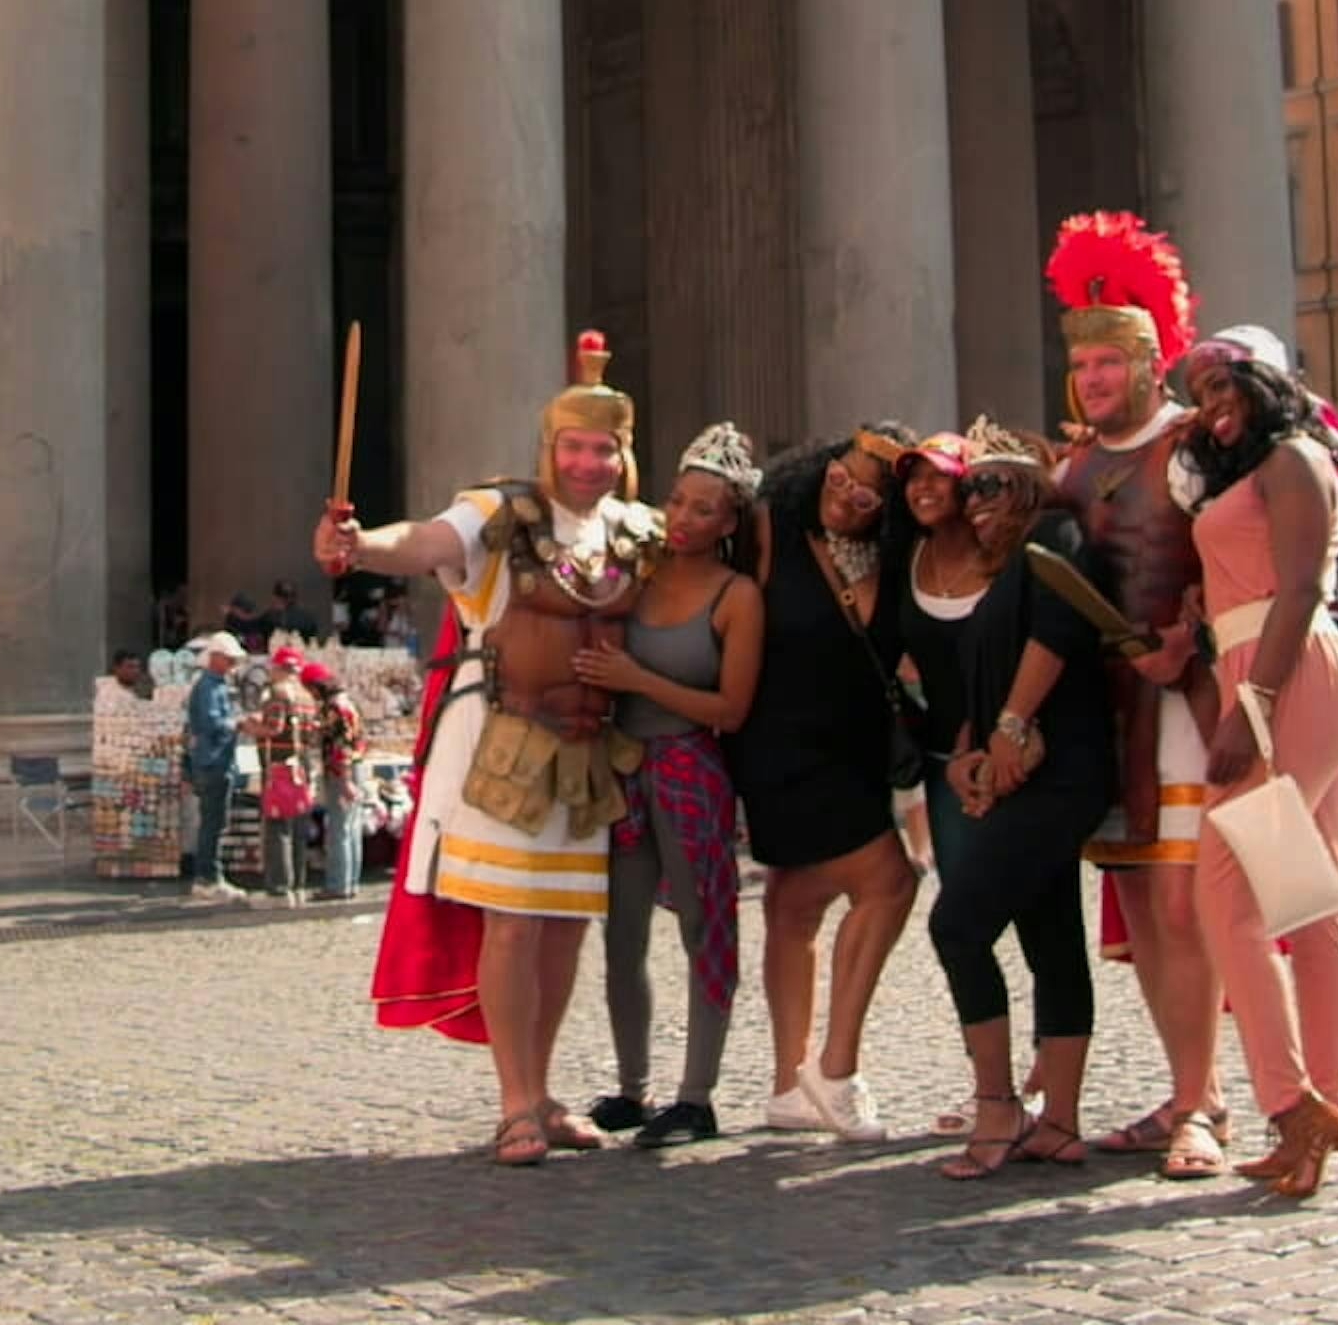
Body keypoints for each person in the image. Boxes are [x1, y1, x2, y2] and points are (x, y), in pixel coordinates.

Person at [320, 332, 663, 1167]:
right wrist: (360, 545)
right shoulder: (497, 512)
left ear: (622, 455)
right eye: (574, 447)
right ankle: (515, 1104)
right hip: (499, 747)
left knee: (564, 928)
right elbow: (423, 542)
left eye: (603, 449)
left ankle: (542, 1093)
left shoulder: (636, 531)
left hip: (588, 752)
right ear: (550, 447)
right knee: (510, 925)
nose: (587, 463)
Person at [1045, 210, 1226, 1179]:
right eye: (1082, 367)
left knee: (1182, 909)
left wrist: (1196, 632)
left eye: (1108, 364)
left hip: (1181, 712)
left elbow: (1246, 556)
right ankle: (1187, 1089)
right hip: (1106, 715)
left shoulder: (1194, 448)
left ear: (1149, 363)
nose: (1093, 380)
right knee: (1145, 917)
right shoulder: (1073, 464)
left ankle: (1201, 1106)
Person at [1176, 328, 1338, 1200]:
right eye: (1201, 395)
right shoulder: (1258, 466)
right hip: (1281, 673)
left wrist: (1248, 708)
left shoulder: (1294, 457)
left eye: (1226, 388)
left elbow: (1297, 590)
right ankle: (1328, 1109)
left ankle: (1292, 1102)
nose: (1213, 406)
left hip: (1287, 678)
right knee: (1309, 899)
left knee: (1223, 889)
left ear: (1268, 381)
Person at [907, 426, 1117, 1179]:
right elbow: (981, 674)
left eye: (992, 486)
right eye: (970, 491)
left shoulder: (1053, 536)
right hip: (1015, 762)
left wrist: (1008, 728)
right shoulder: (1000, 572)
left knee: (957, 924)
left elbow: (1055, 639)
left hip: (1060, 768)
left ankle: (998, 1103)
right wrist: (970, 751)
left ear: (1029, 487)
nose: (977, 504)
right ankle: (1058, 1120)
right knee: (1051, 936)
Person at [721, 424, 925, 1144]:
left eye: (867, 494)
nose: (846, 498)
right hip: (781, 744)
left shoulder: (900, 557)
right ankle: (836, 1068)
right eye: (840, 478)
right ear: (822, 466)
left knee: (795, 900)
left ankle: (789, 1085)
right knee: (890, 882)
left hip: (858, 749)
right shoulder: (773, 525)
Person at [567, 421, 764, 1152]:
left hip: (690, 766)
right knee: (621, 936)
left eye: (703, 509)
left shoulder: (737, 594)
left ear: (730, 521)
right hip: (624, 768)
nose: (683, 519)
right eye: (677, 502)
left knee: (704, 927)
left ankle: (697, 1094)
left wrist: (637, 680)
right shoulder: (637, 572)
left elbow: (731, 709)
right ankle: (632, 1085)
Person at [249, 649, 329, 901]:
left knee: (277, 825)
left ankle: (279, 887)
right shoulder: (307, 696)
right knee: (297, 826)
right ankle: (298, 884)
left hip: (279, 766)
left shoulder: (277, 693)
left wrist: (249, 725)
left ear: (278, 667)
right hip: (302, 766)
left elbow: (274, 728)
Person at [180, 631, 244, 902]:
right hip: (212, 761)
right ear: (215, 657)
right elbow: (209, 723)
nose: (232, 665)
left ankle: (209, 875)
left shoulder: (213, 684)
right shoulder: (208, 686)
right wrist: (236, 723)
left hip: (215, 760)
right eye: (228, 659)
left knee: (213, 822)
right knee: (212, 823)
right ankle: (208, 878)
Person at [306, 661, 367, 906]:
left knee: (338, 829)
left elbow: (340, 747)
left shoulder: (334, 708)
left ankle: (337, 884)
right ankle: (350, 881)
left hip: (341, 770)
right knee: (351, 827)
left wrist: (344, 780)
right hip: (356, 766)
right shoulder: (349, 703)